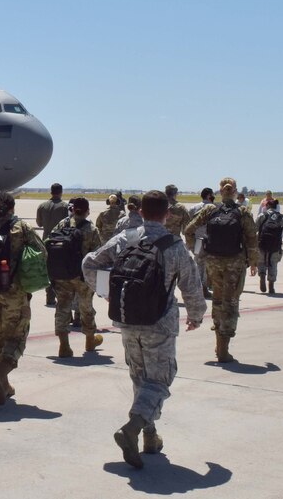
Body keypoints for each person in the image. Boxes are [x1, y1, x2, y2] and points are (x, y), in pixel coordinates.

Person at [83, 190, 206, 469]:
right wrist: (196, 315)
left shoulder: (125, 238)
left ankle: (150, 437)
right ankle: (132, 428)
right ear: (166, 214)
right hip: (159, 323)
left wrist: (106, 293)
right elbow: (191, 284)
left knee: (140, 377)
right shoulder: (174, 245)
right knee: (159, 380)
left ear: (140, 211)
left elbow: (89, 263)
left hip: (127, 319)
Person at [184, 177, 258, 363]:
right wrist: (254, 262)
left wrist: (196, 249)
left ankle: (218, 341)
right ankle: (223, 348)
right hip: (235, 262)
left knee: (217, 300)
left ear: (220, 191)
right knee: (231, 303)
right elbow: (251, 238)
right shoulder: (242, 212)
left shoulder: (210, 210)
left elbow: (189, 230)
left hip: (212, 262)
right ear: (234, 191)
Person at [0, 191, 46, 405]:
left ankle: (4, 384)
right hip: (14, 293)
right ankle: (0, 373)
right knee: (17, 338)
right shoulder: (22, 228)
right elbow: (41, 252)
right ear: (12, 209)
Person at [48, 197, 104, 357]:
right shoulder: (91, 229)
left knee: (62, 307)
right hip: (82, 276)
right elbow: (97, 253)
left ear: (72, 210)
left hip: (61, 274)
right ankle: (89, 341)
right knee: (86, 307)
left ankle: (64, 345)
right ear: (87, 211)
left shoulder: (61, 225)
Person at [36, 183, 69, 306]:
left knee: (48, 269)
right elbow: (68, 224)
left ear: (51, 192)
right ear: (61, 192)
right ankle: (59, 295)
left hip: (46, 241)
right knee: (59, 269)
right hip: (59, 241)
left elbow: (39, 223)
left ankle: (49, 296)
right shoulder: (64, 207)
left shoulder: (42, 206)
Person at [256, 198, 283, 295]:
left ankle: (262, 275)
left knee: (261, 261)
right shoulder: (282, 217)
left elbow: (254, 228)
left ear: (267, 206)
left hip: (262, 243)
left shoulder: (262, 215)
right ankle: (271, 286)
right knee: (273, 263)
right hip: (276, 244)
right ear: (276, 207)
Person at [188, 187, 216, 299]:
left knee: (198, 263)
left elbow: (189, 224)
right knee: (209, 265)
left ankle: (198, 287)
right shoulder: (214, 208)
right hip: (210, 241)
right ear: (209, 195)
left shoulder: (194, 208)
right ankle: (205, 287)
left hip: (198, 241)